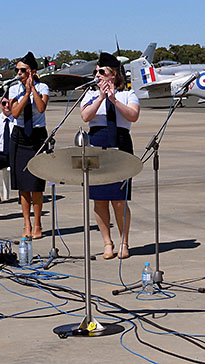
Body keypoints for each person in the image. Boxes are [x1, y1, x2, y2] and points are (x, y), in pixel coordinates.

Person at [80, 53, 140, 259]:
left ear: (113, 75)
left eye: (102, 72)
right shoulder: (90, 94)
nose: (97, 75)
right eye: (96, 71)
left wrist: (114, 100)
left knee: (119, 200)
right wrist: (101, 98)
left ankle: (124, 241)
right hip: (97, 144)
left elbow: (133, 115)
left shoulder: (127, 95)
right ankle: (107, 242)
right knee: (99, 199)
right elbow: (86, 116)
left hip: (120, 145)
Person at [9, 52, 49, 239]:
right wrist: (25, 93)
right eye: (17, 70)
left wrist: (32, 89)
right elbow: (15, 113)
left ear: (32, 71)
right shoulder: (13, 89)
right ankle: (27, 223)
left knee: (36, 184)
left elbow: (41, 107)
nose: (19, 73)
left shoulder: (43, 87)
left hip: (37, 135)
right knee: (23, 185)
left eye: (22, 70)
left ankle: (38, 223)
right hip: (19, 136)